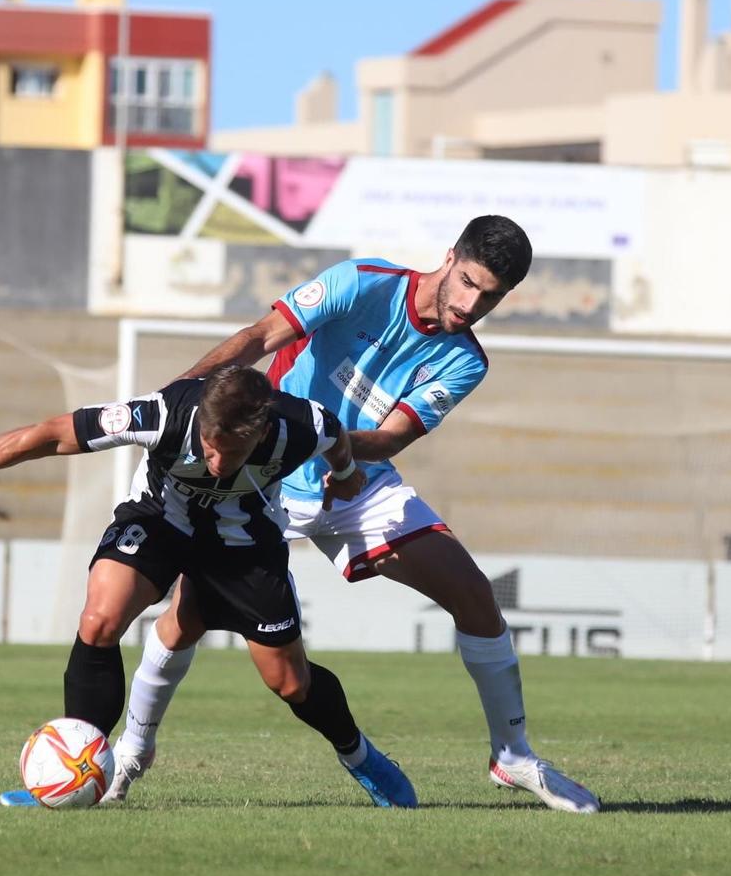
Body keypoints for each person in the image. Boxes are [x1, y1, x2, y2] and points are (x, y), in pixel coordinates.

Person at [103, 215, 600, 813]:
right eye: (467, 282)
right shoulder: (361, 282)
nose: (472, 304)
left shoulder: (466, 361)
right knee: (187, 618)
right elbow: (261, 338)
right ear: (449, 257)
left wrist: (321, 445)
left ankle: (513, 756)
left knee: (473, 593)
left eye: (491, 296)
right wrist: (180, 393)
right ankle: (130, 757)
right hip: (264, 479)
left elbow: (389, 439)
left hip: (354, 478)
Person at [0, 363, 417, 808]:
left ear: (260, 433)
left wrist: (346, 475)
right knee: (98, 619)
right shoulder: (165, 413)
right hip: (159, 523)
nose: (215, 463)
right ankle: (83, 767)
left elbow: (338, 443)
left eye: (229, 453)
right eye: (210, 449)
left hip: (244, 544)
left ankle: (359, 755)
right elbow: (52, 433)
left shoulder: (300, 423)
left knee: (290, 683)